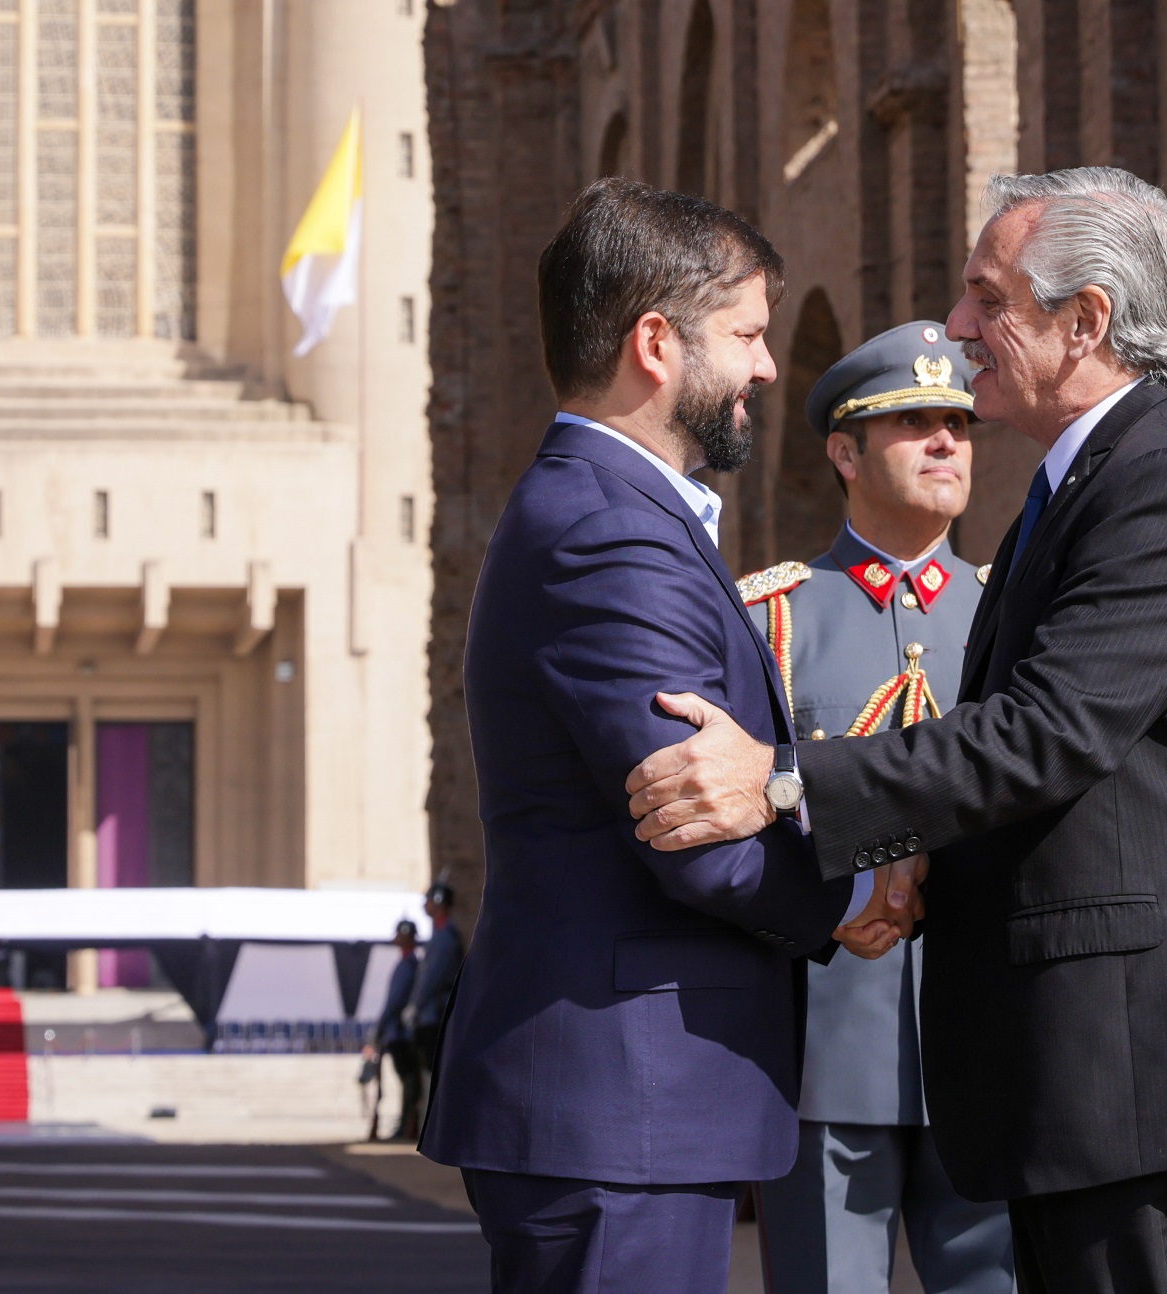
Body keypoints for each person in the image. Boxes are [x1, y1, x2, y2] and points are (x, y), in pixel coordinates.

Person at [626, 166, 1167, 1294]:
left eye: (984, 298)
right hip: (1074, 1076)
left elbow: (1043, 734)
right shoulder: (1088, 481)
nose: (955, 328)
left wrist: (785, 783)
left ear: (1085, 320)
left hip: (1141, 1080)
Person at [417, 177, 913, 1294]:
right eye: (745, 333)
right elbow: (693, 820)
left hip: (623, 1106)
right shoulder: (609, 533)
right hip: (619, 1104)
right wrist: (850, 900)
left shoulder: (612, 514)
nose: (767, 367)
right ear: (656, 342)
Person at [739, 323, 1013, 1294]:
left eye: (956, 423)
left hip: (988, 1037)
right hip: (823, 1046)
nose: (944, 441)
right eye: (912, 423)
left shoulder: (1007, 615)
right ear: (843, 451)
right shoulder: (770, 618)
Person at [363, 919, 422, 1140]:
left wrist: (380, 1028)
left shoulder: (408, 965)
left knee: (408, 1080)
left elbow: (394, 1001)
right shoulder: (408, 963)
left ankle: (406, 1126)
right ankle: (406, 1125)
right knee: (407, 1080)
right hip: (399, 1031)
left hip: (400, 1033)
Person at [411, 881, 462, 1085]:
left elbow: (432, 977)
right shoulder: (439, 935)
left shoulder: (444, 938)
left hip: (435, 1013)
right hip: (431, 1012)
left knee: (433, 1073)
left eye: (430, 900)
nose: (426, 904)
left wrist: (416, 1005)